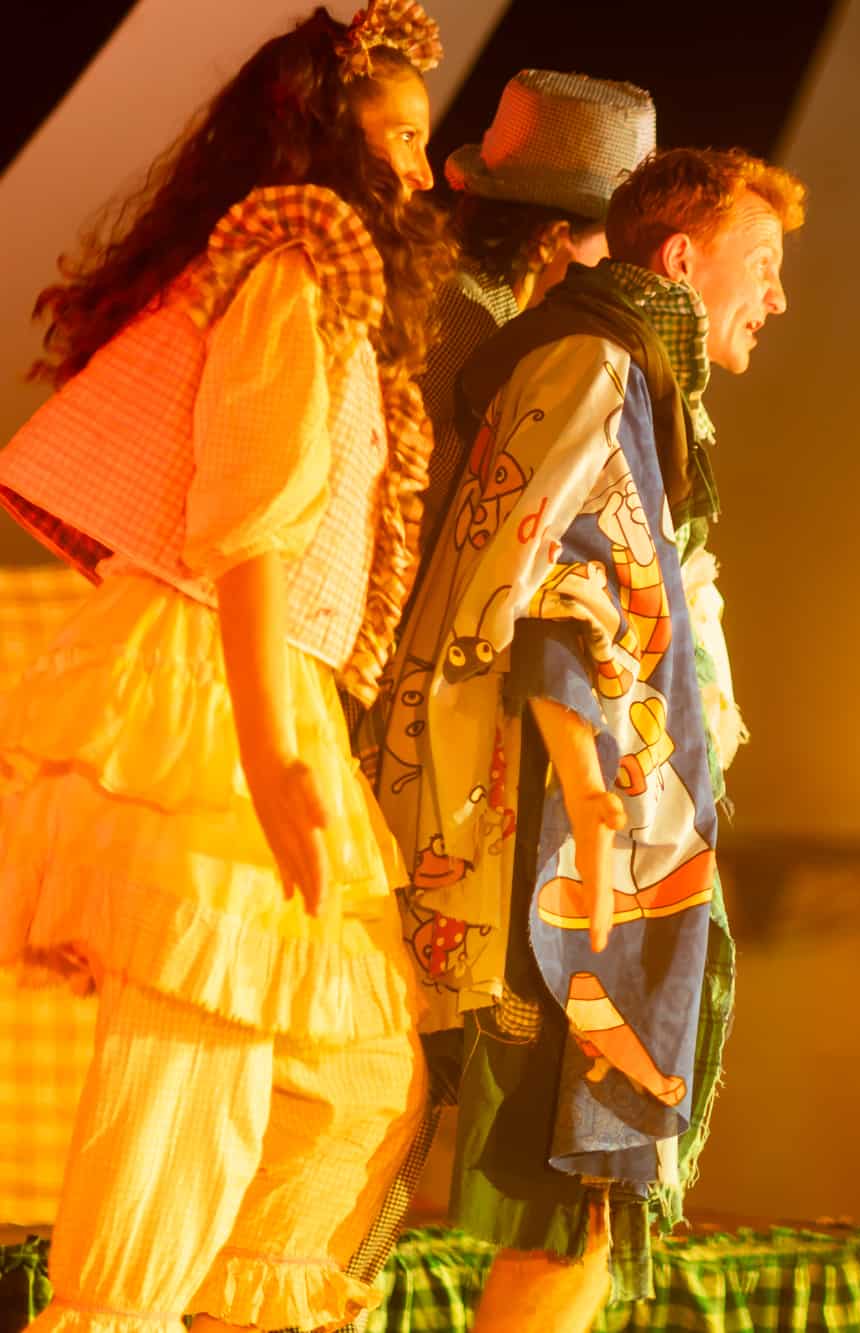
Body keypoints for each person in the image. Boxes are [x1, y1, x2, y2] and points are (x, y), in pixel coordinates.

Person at [0, 3, 453, 1329]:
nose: (419, 173)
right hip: (213, 677)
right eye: (404, 139)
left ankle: (232, 1310)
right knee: (193, 1069)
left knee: (354, 1076)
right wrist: (267, 754)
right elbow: (244, 532)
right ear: (327, 136)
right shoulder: (293, 272)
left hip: (265, 681)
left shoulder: (334, 291)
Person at [363, 146, 801, 1331]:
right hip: (558, 845)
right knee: (572, 1190)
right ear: (677, 258)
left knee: (547, 1186)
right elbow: (552, 573)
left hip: (579, 829)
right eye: (758, 266)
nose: (776, 297)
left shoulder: (625, 372)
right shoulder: (595, 360)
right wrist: (589, 783)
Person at [414, 69, 657, 573]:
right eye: (609, 251)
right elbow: (424, 498)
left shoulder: (479, 304)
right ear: (552, 237)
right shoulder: (469, 313)